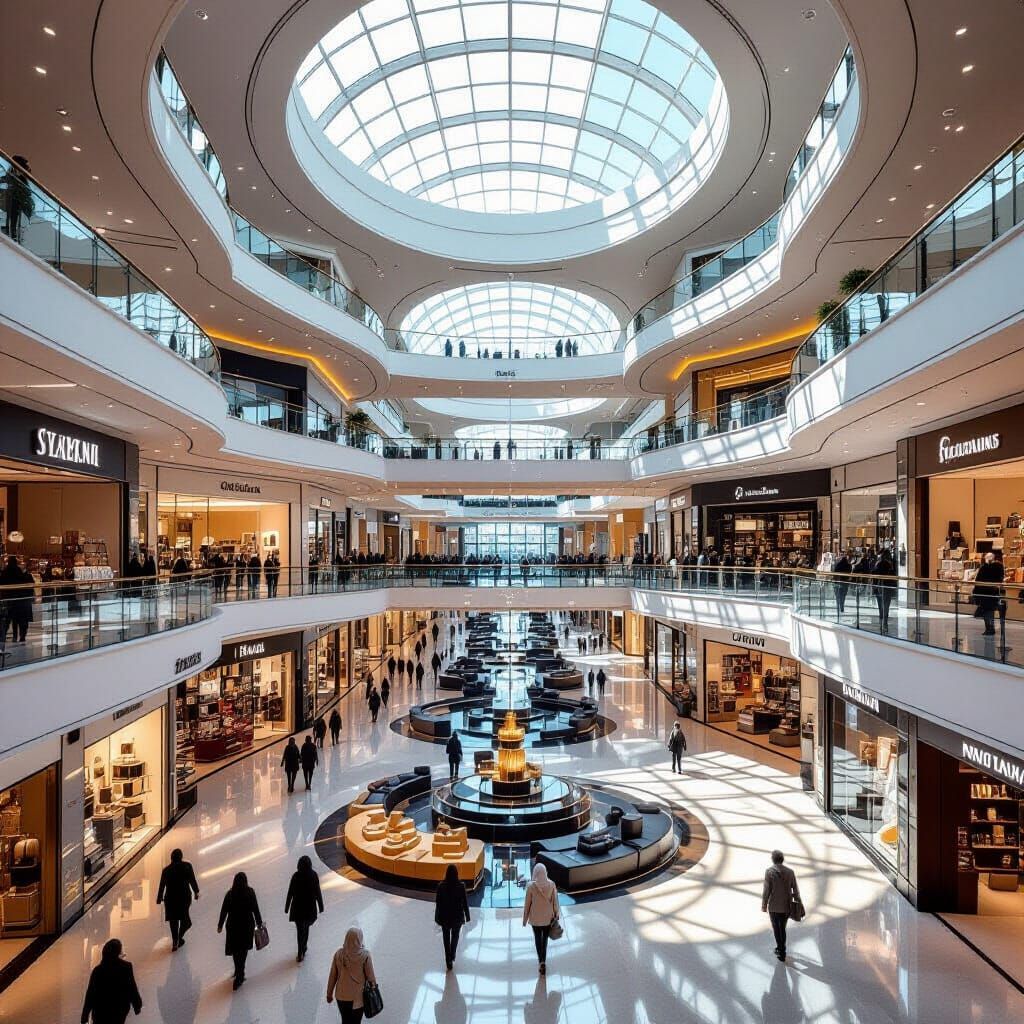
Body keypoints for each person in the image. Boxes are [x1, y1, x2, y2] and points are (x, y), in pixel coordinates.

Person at [218, 872, 263, 989]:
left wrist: (220, 925)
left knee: (236, 950)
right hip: (247, 926)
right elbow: (255, 908)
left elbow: (224, 910)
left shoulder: (230, 894)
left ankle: (238, 971)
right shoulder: (250, 892)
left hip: (233, 926)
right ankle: (240, 973)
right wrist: (259, 922)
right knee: (243, 950)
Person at [80, 938, 142, 1024]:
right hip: (119, 1010)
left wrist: (85, 1015)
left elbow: (90, 994)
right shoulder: (126, 967)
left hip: (100, 1012)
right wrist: (137, 1005)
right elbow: (131, 987)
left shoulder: (98, 970)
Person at [326, 927, 377, 1023]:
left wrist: (329, 993)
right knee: (356, 1021)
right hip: (358, 997)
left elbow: (332, 975)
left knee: (345, 1020)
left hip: (341, 996)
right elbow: (371, 978)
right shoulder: (365, 956)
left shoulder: (338, 954)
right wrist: (374, 992)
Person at [762, 850, 802, 962]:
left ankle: (781, 949)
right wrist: (798, 901)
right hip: (786, 905)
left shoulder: (769, 872)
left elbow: (767, 890)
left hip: (774, 906)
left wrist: (764, 904)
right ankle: (781, 949)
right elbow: (795, 889)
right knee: (782, 928)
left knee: (776, 928)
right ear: (782, 859)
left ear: (773, 859)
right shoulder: (790, 872)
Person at [156, 848, 200, 951]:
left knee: (173, 921)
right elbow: (192, 880)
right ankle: (179, 937)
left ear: (171, 858)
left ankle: (175, 940)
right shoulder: (187, 866)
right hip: (184, 898)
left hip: (170, 899)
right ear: (181, 857)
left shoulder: (166, 870)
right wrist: (196, 892)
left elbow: (162, 885)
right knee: (186, 921)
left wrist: (159, 898)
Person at [285, 855, 324, 963]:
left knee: (299, 931)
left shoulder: (296, 876)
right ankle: (304, 947)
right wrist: (320, 906)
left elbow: (290, 892)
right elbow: (317, 892)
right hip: (309, 909)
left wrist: (287, 907)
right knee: (306, 929)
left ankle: (300, 950)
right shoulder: (313, 875)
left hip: (297, 909)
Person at [522, 862, 560, 974]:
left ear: (536, 873)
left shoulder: (530, 886)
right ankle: (544, 959)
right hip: (548, 918)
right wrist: (556, 914)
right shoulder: (552, 884)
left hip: (535, 918)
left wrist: (524, 920)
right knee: (545, 941)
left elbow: (527, 904)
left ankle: (540, 962)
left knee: (538, 939)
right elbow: (555, 902)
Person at [435, 864, 471, 970]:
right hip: (457, 917)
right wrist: (467, 916)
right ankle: (452, 956)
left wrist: (437, 917)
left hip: (445, 917)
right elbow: (465, 903)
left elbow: (438, 903)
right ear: (456, 874)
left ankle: (448, 961)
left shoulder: (441, 886)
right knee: (455, 937)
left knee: (446, 939)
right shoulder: (461, 886)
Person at [2, 155, 35, 246]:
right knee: (12, 215)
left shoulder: (20, 175)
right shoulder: (13, 173)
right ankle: (12, 233)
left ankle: (13, 234)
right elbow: (7, 178)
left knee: (13, 215)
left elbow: (26, 188)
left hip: (17, 198)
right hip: (13, 197)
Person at [973, 550, 1005, 637]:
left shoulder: (984, 568)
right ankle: (990, 628)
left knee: (987, 612)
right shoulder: (999, 567)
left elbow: (978, 581)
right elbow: (1001, 578)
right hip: (993, 593)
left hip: (984, 593)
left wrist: (975, 593)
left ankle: (989, 628)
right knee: (990, 611)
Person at [872, 549, 898, 634]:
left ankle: (881, 617)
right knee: (886, 604)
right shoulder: (890, 565)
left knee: (880, 603)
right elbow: (893, 576)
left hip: (879, 586)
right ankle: (885, 621)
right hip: (887, 586)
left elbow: (874, 575)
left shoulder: (878, 563)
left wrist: (874, 587)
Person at [832, 550, 852, 615]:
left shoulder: (838, 565)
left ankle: (838, 606)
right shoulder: (849, 565)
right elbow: (849, 573)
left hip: (838, 582)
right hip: (845, 582)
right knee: (843, 595)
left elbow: (834, 573)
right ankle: (842, 606)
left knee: (838, 595)